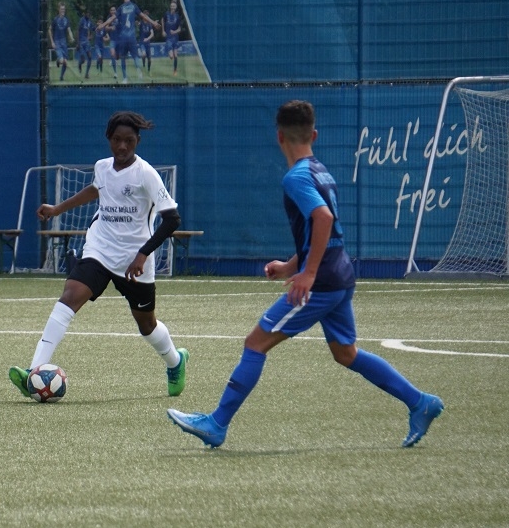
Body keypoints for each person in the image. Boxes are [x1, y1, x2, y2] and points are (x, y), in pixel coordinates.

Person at [167, 100, 444, 448]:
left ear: (279, 136)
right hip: (340, 274)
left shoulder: (296, 177)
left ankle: (216, 424)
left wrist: (308, 273)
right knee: (346, 353)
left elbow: (323, 219)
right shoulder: (320, 171)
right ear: (314, 134)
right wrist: (291, 266)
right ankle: (420, 402)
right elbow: (325, 231)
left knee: (255, 343)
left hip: (323, 282)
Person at [9, 111, 188, 399]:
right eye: (117, 140)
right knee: (70, 297)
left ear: (137, 141)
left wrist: (143, 254)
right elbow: (96, 190)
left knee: (147, 325)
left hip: (134, 261)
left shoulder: (146, 174)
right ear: (109, 139)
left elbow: (172, 219)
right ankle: (33, 372)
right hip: (100, 249)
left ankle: (175, 361)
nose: (122, 146)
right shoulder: (102, 167)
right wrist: (57, 209)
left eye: (129, 141)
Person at [103, 0, 160, 84]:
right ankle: (139, 70)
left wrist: (102, 25)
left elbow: (111, 19)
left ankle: (125, 78)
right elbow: (144, 16)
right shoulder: (134, 6)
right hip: (132, 37)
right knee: (135, 57)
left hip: (123, 38)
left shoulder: (121, 8)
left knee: (123, 58)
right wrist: (153, 22)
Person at [49, 2, 74, 83]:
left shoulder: (66, 20)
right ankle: (58, 60)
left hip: (64, 42)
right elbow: (49, 30)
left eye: (64, 9)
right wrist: (52, 42)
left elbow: (69, 30)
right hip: (57, 42)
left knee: (65, 63)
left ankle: (61, 76)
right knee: (63, 61)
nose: (63, 10)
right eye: (62, 9)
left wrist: (71, 37)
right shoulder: (55, 20)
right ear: (58, 10)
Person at [163, 0, 182, 78]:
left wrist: (174, 32)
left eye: (174, 6)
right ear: (170, 6)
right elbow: (162, 20)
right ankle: (168, 52)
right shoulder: (166, 14)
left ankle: (175, 70)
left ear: (176, 7)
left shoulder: (177, 16)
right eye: (171, 6)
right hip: (168, 38)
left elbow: (179, 29)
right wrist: (163, 30)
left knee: (175, 55)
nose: (173, 7)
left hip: (175, 38)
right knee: (171, 56)